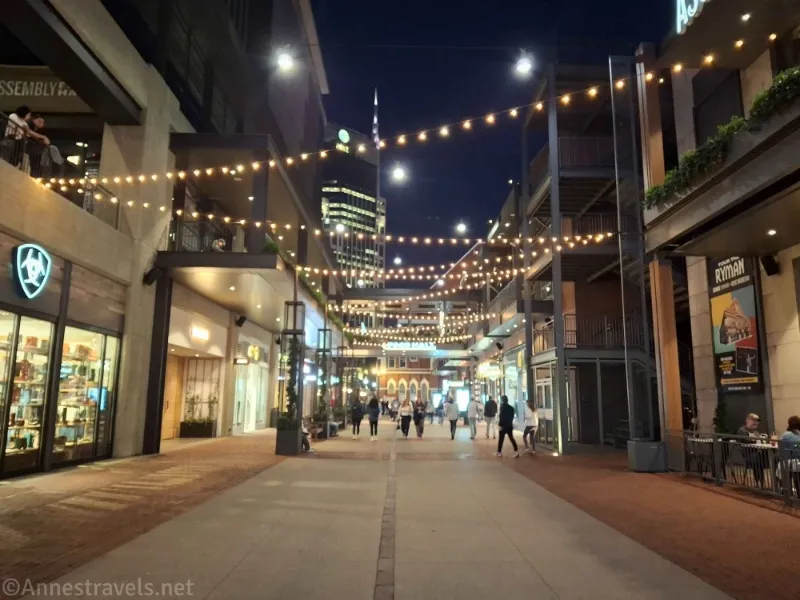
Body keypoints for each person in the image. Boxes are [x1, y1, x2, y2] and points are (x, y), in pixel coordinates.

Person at [736, 413, 768, 488]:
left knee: (771, 457)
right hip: (746, 454)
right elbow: (746, 440)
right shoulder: (741, 430)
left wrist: (763, 439)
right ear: (747, 420)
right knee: (757, 459)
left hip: (757, 453)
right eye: (754, 420)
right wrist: (758, 439)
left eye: (757, 421)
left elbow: (759, 441)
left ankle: (772, 483)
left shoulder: (756, 432)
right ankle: (760, 482)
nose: (756, 423)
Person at [779, 415, 800, 497]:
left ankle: (784, 489)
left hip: (791, 461)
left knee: (778, 463)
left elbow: (780, 448)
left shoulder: (786, 435)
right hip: (797, 461)